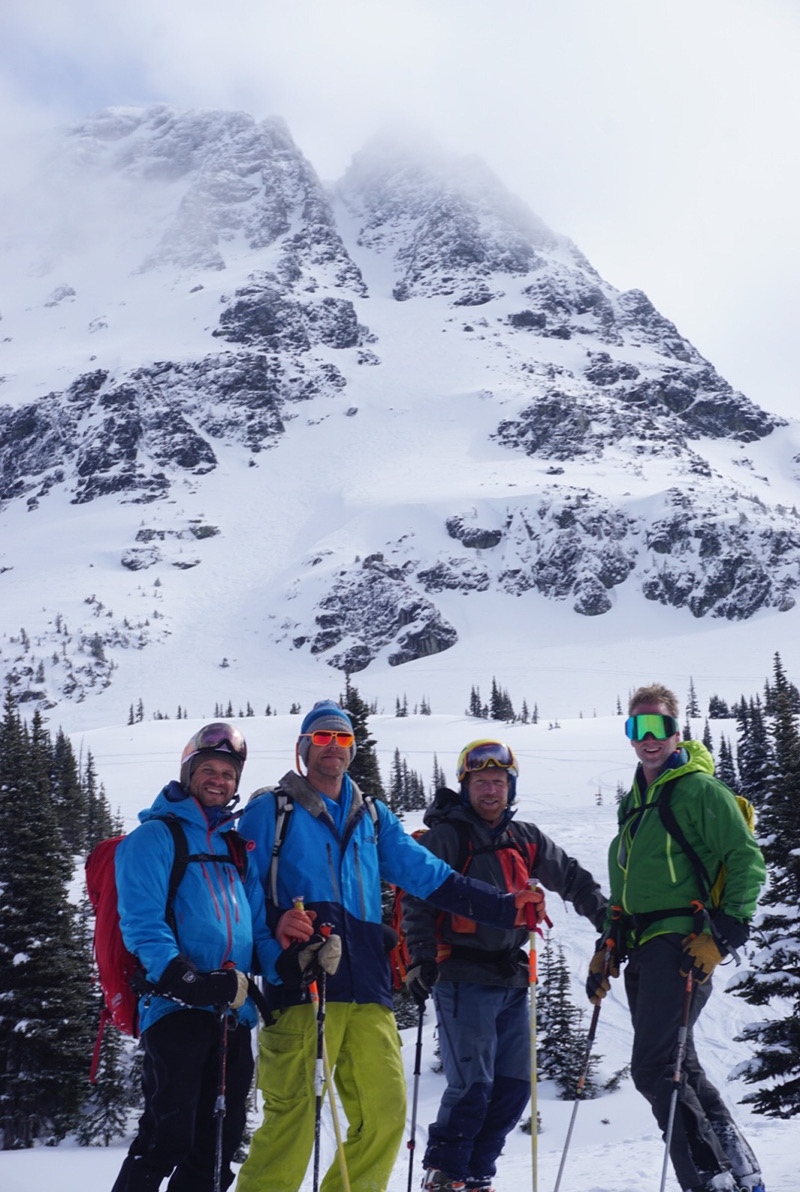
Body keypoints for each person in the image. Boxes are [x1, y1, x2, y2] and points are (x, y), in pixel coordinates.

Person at [235, 701, 543, 1192]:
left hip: (368, 987)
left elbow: (430, 876)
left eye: (341, 739)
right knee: (292, 1123)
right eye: (321, 739)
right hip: (303, 986)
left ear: (352, 750)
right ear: (303, 748)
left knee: (384, 1119)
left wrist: (505, 907)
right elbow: (243, 891)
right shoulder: (271, 811)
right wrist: (276, 947)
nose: (332, 748)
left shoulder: (372, 816)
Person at [401, 739, 607, 1192]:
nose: (490, 790)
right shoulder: (448, 836)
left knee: (512, 1088)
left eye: (499, 782)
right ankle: (445, 1175)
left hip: (511, 975)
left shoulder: (525, 837)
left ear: (510, 787)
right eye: (481, 782)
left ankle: (476, 1175)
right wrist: (419, 958)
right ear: (466, 786)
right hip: (461, 974)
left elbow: (572, 878)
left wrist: (608, 923)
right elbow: (417, 899)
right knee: (472, 1085)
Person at [587, 684, 767, 1192]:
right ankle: (738, 1169)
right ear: (629, 734)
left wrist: (727, 932)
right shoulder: (635, 803)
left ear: (676, 732)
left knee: (653, 1069)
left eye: (659, 726)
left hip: (683, 943)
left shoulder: (699, 790)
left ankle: (710, 1180)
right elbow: (627, 884)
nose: (649, 738)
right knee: (678, 1064)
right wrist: (608, 944)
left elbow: (745, 860)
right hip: (644, 945)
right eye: (639, 728)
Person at [111, 723, 283, 1192]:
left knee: (217, 1150)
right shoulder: (152, 839)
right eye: (208, 769)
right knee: (167, 1136)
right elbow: (143, 926)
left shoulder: (234, 847)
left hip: (233, 1013)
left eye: (228, 773)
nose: (219, 780)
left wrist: (286, 962)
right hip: (176, 1010)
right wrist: (188, 980)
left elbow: (257, 928)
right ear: (188, 773)